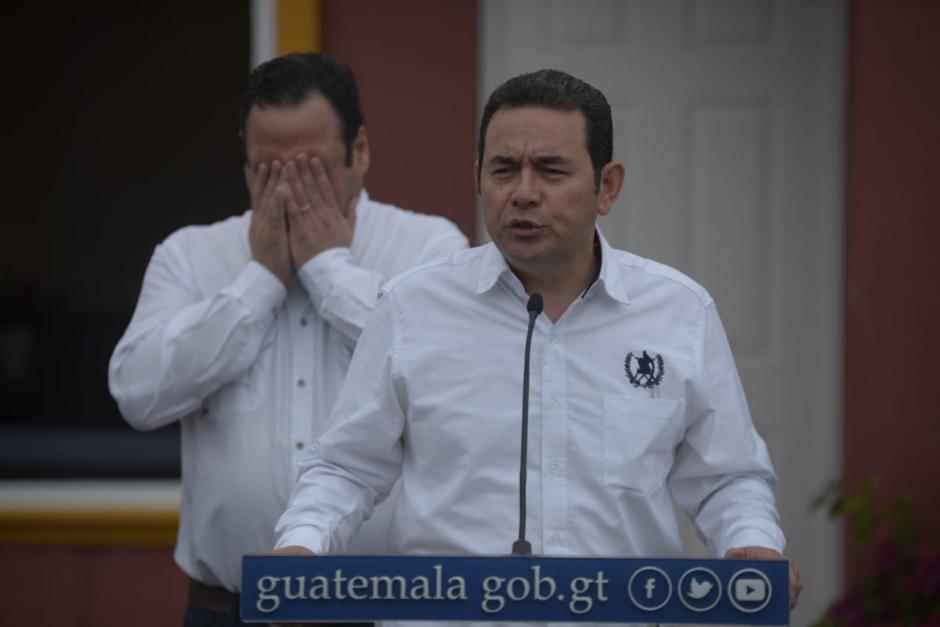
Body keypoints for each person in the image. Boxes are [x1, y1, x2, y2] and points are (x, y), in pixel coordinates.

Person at [273, 69, 802, 625]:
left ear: (607, 186)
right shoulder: (411, 306)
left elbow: (727, 477)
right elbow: (347, 468)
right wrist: (303, 546)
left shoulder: (679, 313)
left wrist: (752, 541)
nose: (523, 192)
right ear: (478, 177)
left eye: (550, 169)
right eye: (503, 169)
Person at [108, 52, 468, 626]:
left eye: (311, 168)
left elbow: (452, 376)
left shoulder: (430, 249)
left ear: (361, 152)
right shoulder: (190, 255)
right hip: (226, 608)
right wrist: (259, 283)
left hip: (383, 611)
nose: (287, 189)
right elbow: (136, 395)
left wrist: (329, 271)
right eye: (266, 170)